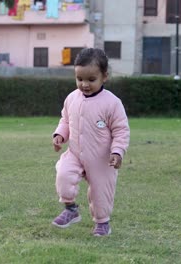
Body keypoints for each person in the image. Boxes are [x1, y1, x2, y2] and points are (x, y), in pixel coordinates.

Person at [51, 48, 130, 236]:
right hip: (75, 153)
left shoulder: (112, 103)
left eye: (91, 79)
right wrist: (60, 135)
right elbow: (65, 120)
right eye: (79, 79)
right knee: (63, 174)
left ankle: (102, 223)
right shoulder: (72, 98)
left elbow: (121, 130)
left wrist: (117, 152)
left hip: (102, 159)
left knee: (101, 192)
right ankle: (71, 209)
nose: (84, 84)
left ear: (105, 77)